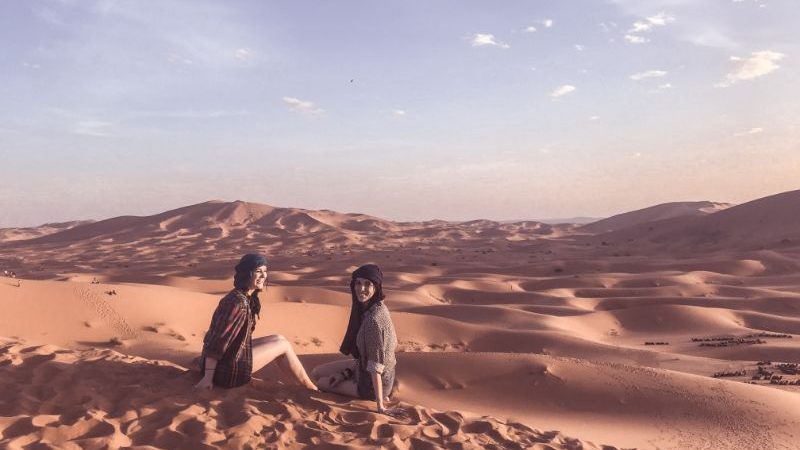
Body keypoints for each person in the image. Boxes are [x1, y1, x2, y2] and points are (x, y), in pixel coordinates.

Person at [195, 253, 317, 391]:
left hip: (226, 362)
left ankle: (306, 386)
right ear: (247, 273)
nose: (263, 276)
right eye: (258, 271)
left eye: (265, 271)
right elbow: (217, 341)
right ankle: (310, 388)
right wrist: (208, 377)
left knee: (279, 338)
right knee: (283, 345)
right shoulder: (237, 303)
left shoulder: (243, 297)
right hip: (227, 373)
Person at [312, 264, 402, 416]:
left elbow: (375, 366)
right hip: (363, 367)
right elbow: (365, 357)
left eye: (368, 284)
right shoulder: (372, 307)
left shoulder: (374, 320)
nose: (361, 289)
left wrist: (380, 406)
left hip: (369, 385)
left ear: (376, 287)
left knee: (321, 383)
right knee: (317, 372)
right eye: (358, 283)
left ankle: (374, 397)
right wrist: (344, 374)